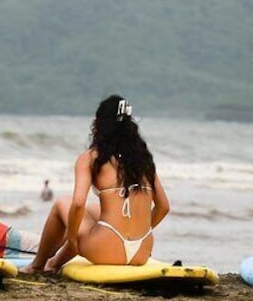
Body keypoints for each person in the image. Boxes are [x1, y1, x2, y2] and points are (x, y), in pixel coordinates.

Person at [22, 95, 170, 273]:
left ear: (98, 124)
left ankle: (37, 264)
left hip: (105, 250)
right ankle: (54, 263)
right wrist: (139, 231)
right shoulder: (144, 160)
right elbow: (163, 207)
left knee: (63, 203)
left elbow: (77, 204)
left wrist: (71, 240)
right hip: (142, 252)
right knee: (94, 210)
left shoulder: (91, 158)